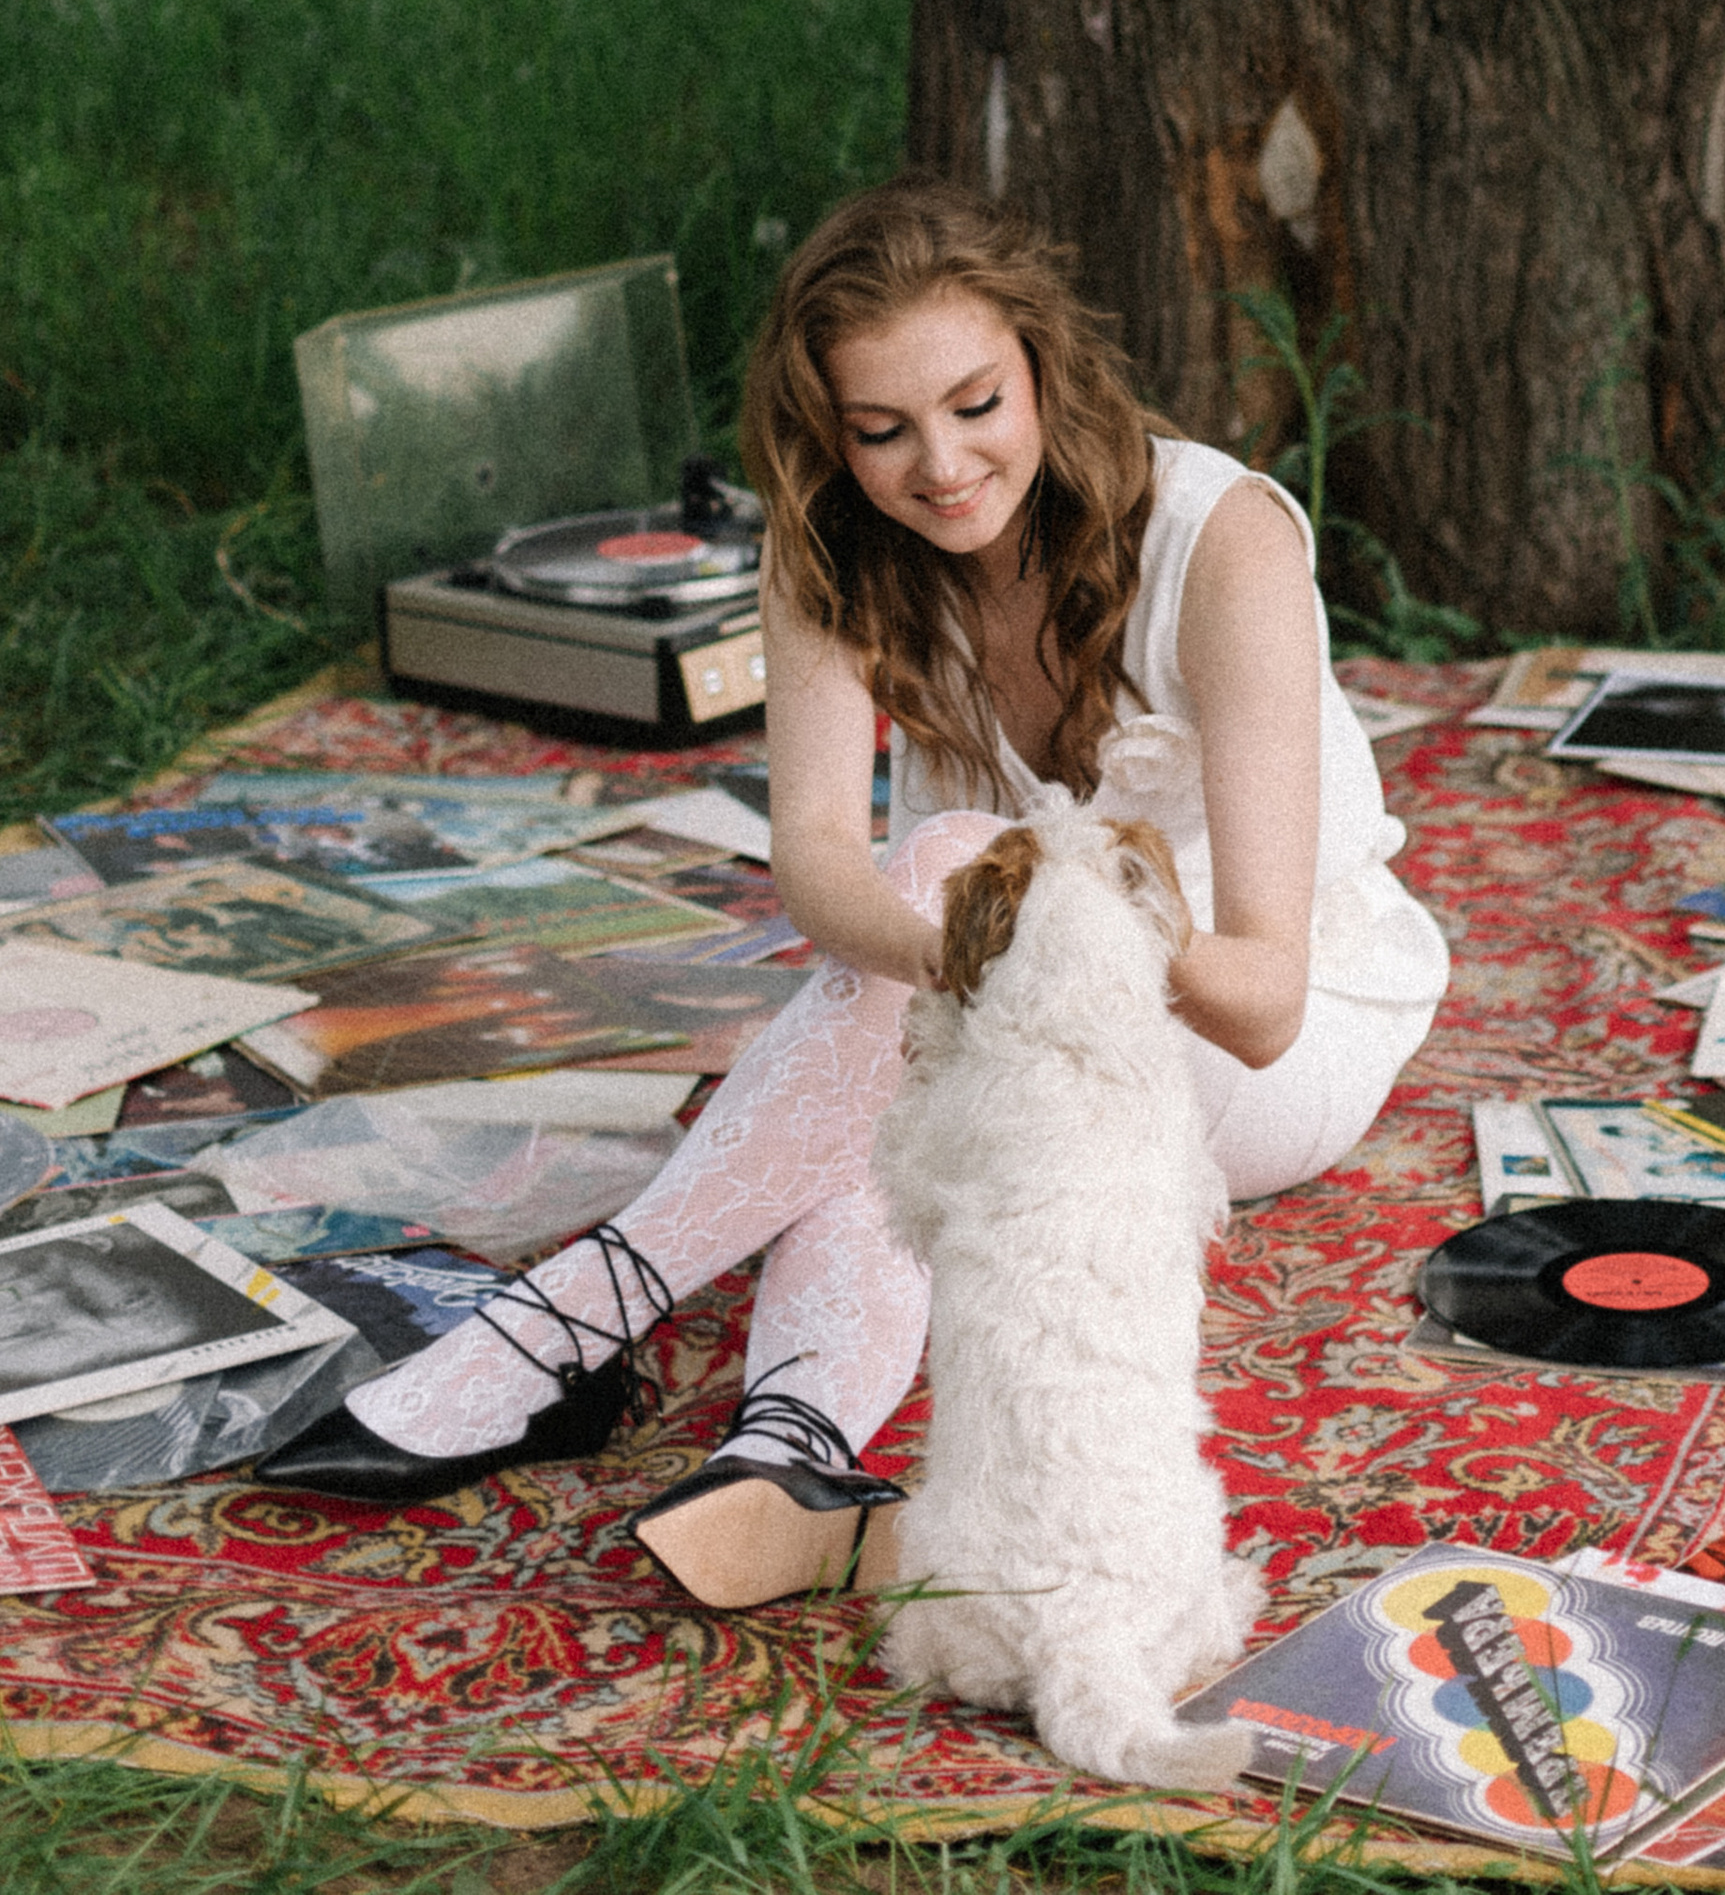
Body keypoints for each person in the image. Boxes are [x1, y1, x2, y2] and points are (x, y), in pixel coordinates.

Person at [268, 179, 1450, 1611]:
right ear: (827, 431)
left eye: (974, 406)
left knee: (955, 909)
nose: (940, 468)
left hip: (1268, 1037)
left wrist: (1043, 939)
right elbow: (820, 871)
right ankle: (789, 1453)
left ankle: (570, 1316)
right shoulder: (827, 540)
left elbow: (1263, 1002)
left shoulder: (1225, 544)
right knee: (922, 974)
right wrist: (974, 966)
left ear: (1044, 366)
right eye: (880, 431)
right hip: (985, 1019)